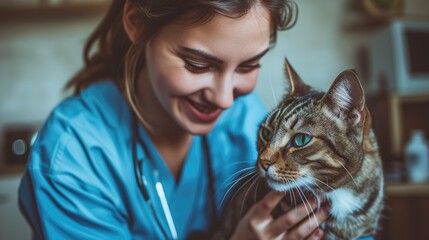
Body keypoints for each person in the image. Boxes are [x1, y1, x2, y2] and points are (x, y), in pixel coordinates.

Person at [18, 0, 330, 239]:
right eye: (197, 65)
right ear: (137, 23)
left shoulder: (246, 119)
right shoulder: (73, 156)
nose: (225, 99)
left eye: (248, 67)